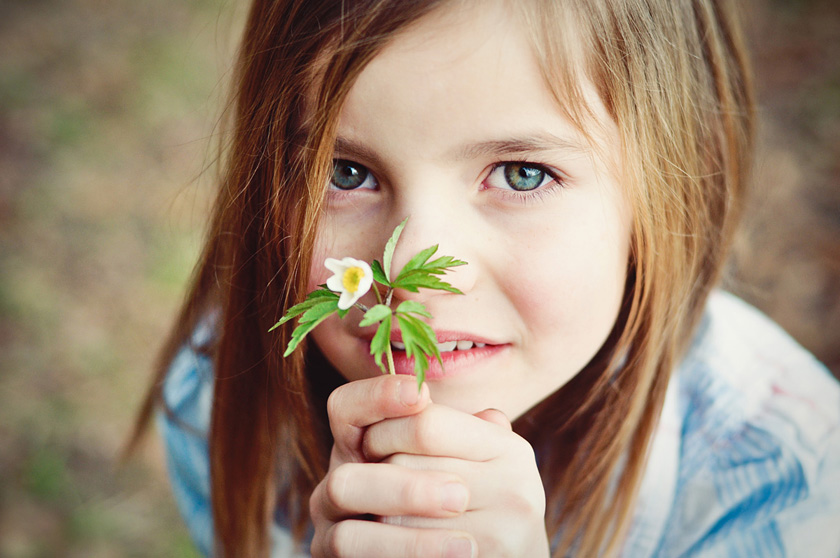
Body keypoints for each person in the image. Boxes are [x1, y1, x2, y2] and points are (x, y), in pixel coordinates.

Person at [125, 0, 840, 556]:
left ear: (672, 186)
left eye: (522, 174)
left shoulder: (792, 495)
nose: (408, 275)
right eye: (345, 173)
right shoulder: (218, 391)